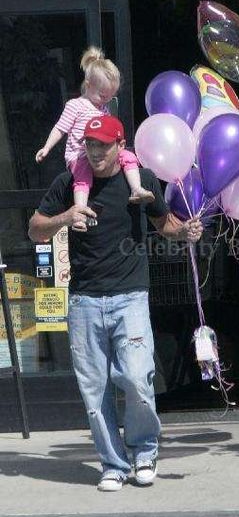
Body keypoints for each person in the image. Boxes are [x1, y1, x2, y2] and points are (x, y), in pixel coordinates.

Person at [29, 115, 203, 492]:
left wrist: (185, 231)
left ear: (120, 145)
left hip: (131, 296)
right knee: (95, 390)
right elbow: (34, 228)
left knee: (139, 379)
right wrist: (65, 216)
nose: (95, 151)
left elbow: (165, 225)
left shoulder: (139, 181)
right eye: (90, 144)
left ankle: (144, 453)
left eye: (103, 145)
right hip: (84, 301)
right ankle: (112, 463)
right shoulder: (68, 183)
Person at [35, 46, 154, 212]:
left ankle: (136, 189)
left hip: (100, 156)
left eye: (110, 97)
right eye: (102, 96)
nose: (105, 101)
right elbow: (60, 128)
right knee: (82, 175)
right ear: (88, 85)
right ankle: (80, 209)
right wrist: (47, 147)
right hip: (79, 154)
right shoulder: (75, 105)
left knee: (128, 156)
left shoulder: (103, 109)